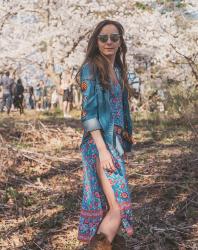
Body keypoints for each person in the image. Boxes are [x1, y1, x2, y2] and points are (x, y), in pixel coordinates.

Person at [76, 20, 134, 249]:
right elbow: (88, 114)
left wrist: (123, 147)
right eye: (103, 38)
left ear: (120, 42)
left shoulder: (119, 70)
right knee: (118, 207)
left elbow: (122, 112)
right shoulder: (91, 68)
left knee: (108, 207)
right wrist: (103, 150)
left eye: (114, 37)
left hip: (115, 145)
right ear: (96, 41)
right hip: (99, 145)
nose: (109, 42)